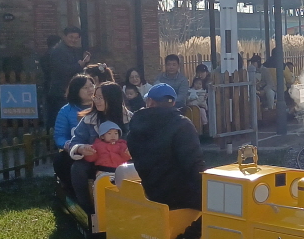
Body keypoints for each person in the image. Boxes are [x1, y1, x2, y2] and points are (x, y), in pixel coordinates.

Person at [126, 83, 204, 211]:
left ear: (150, 101)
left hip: (152, 193)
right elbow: (194, 164)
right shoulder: (182, 125)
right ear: (173, 103)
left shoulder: (135, 126)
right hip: (184, 197)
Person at [67, 81, 132, 215]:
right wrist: (81, 148)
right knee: (77, 168)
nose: (96, 101)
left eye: (100, 98)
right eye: (95, 97)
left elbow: (140, 142)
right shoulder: (89, 119)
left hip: (123, 161)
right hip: (96, 161)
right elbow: (75, 141)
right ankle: (88, 210)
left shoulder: (130, 119)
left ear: (112, 99)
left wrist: (131, 151)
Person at [52, 74, 94, 198]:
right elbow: (59, 136)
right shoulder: (66, 111)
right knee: (61, 161)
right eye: (85, 87)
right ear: (76, 91)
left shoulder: (101, 105)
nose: (90, 89)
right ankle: (73, 193)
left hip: (99, 149)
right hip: (76, 151)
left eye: (92, 85)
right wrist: (70, 146)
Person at [45, 27, 90, 125]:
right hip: (60, 92)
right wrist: (79, 65)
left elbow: (78, 68)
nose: (73, 40)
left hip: (71, 92)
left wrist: (85, 62)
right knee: (60, 121)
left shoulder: (74, 50)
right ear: (64, 36)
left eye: (76, 38)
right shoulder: (58, 51)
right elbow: (62, 70)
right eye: (71, 37)